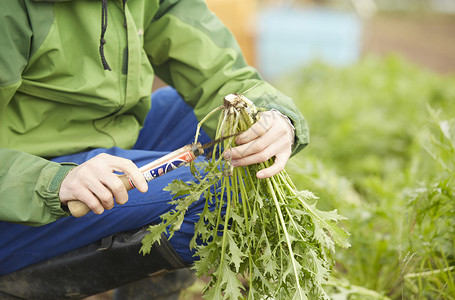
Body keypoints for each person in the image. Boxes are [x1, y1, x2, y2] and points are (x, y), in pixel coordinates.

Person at [0, 0, 308, 295]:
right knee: (216, 192)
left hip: (96, 147)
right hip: (21, 196)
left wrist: (273, 117)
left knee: (218, 119)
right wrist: (52, 181)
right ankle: (20, 284)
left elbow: (218, 70)